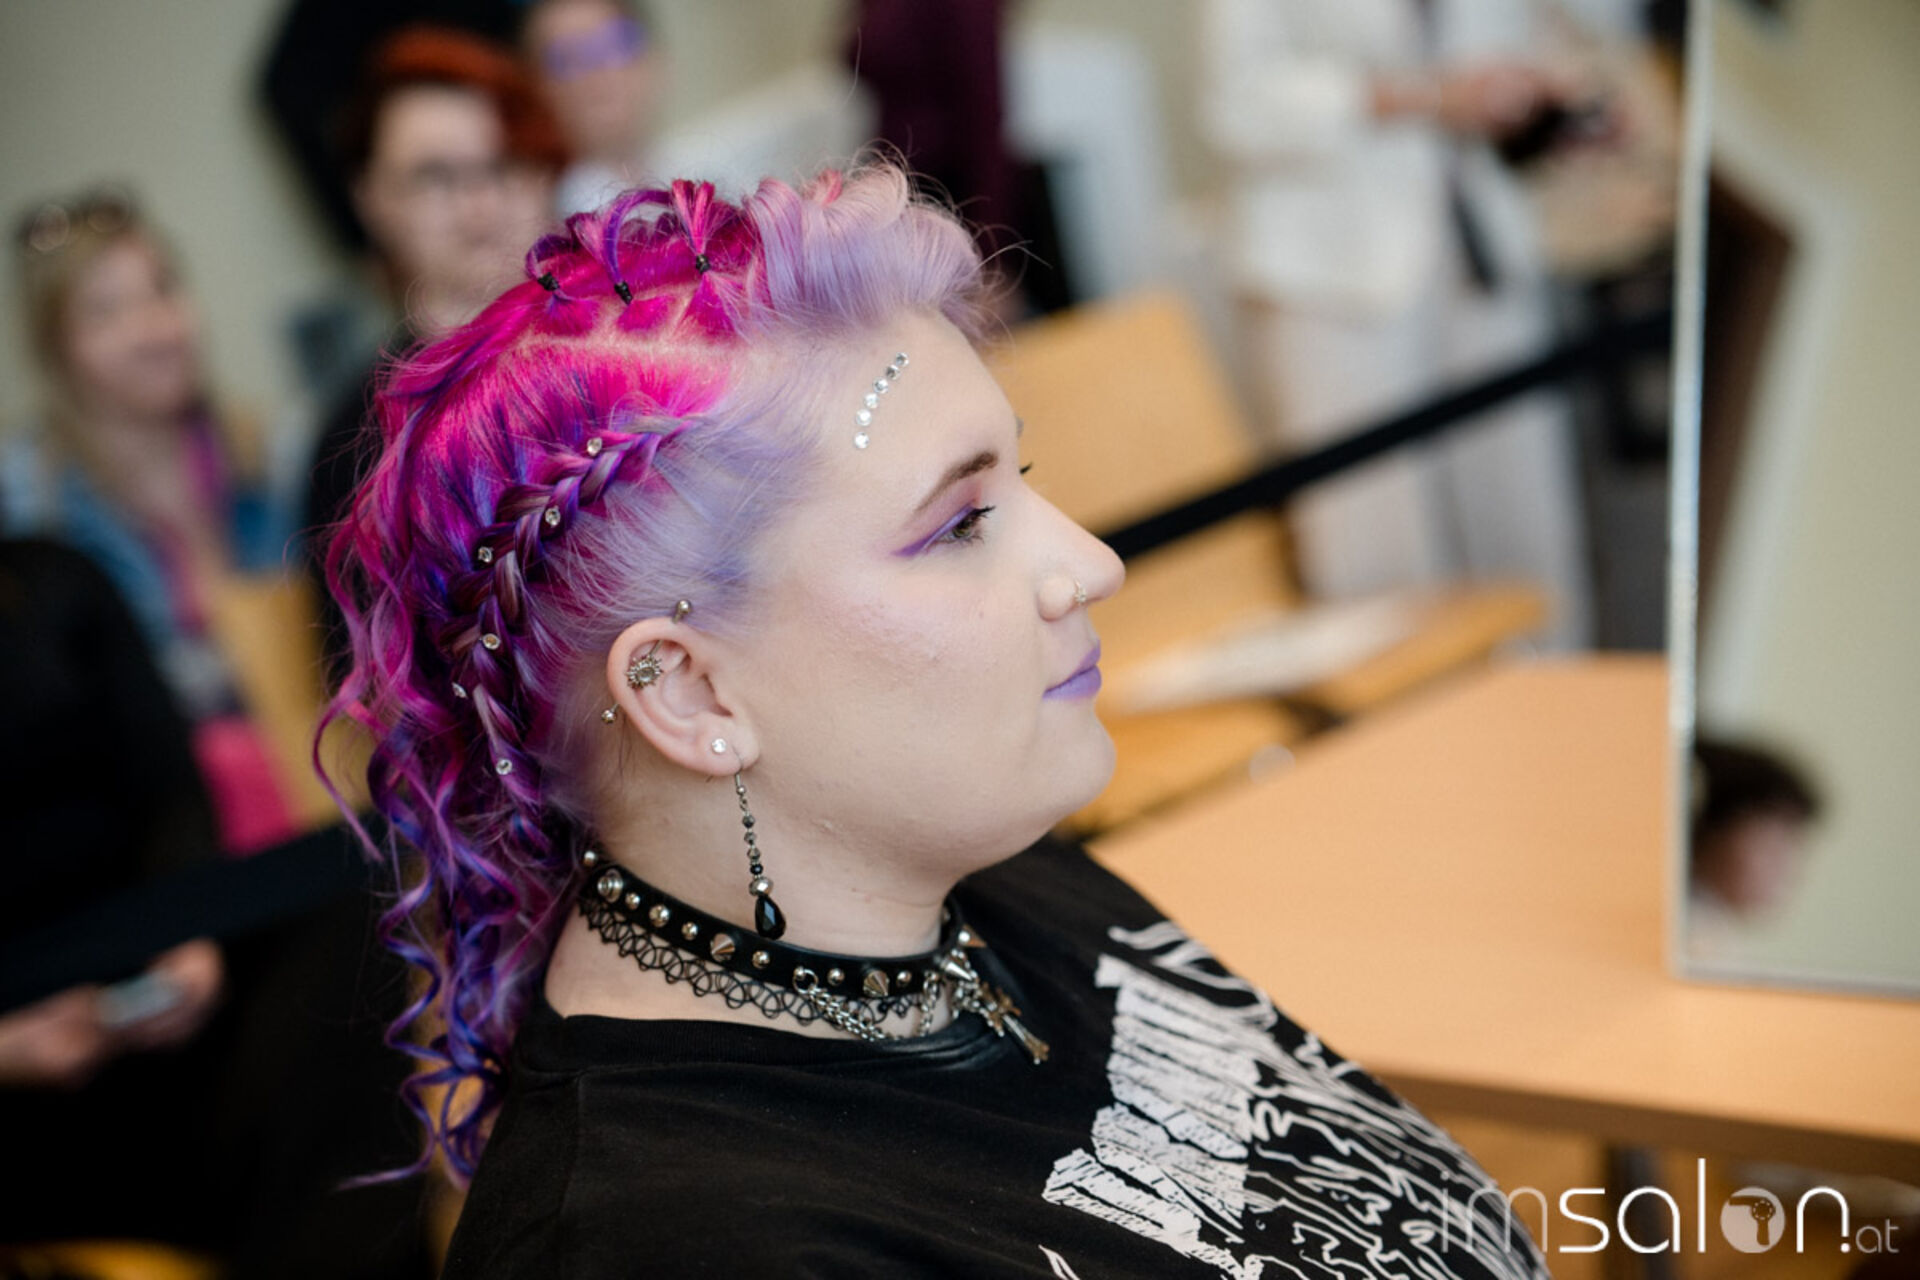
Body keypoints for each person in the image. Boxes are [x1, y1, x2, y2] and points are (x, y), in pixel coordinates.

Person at [320, 162, 1552, 1278]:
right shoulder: (672, 1244)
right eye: (960, 525)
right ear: (690, 692)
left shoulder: (970, 872)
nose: (1091, 563)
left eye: (1024, 480)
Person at [1200, 0, 1601, 651]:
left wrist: (1538, 100)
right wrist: (1426, 98)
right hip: (1334, 268)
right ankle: (1414, 709)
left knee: (1521, 518)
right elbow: (1237, 105)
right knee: (1373, 539)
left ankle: (1556, 697)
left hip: (1477, 242)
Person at [3, 189, 299, 854]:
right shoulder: (34, 515)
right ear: (57, 349)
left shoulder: (270, 456)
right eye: (107, 311)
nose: (156, 329)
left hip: (321, 808)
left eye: (162, 289)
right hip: (168, 852)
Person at [305, 25, 569, 667]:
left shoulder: (635, 347)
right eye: (436, 177)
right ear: (371, 199)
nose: (479, 207)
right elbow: (372, 683)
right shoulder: (355, 447)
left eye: (501, 165)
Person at [520, 0, 666, 217]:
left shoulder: (697, 168)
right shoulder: (565, 210)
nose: (598, 72)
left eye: (613, 44)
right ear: (539, 87)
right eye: (567, 59)